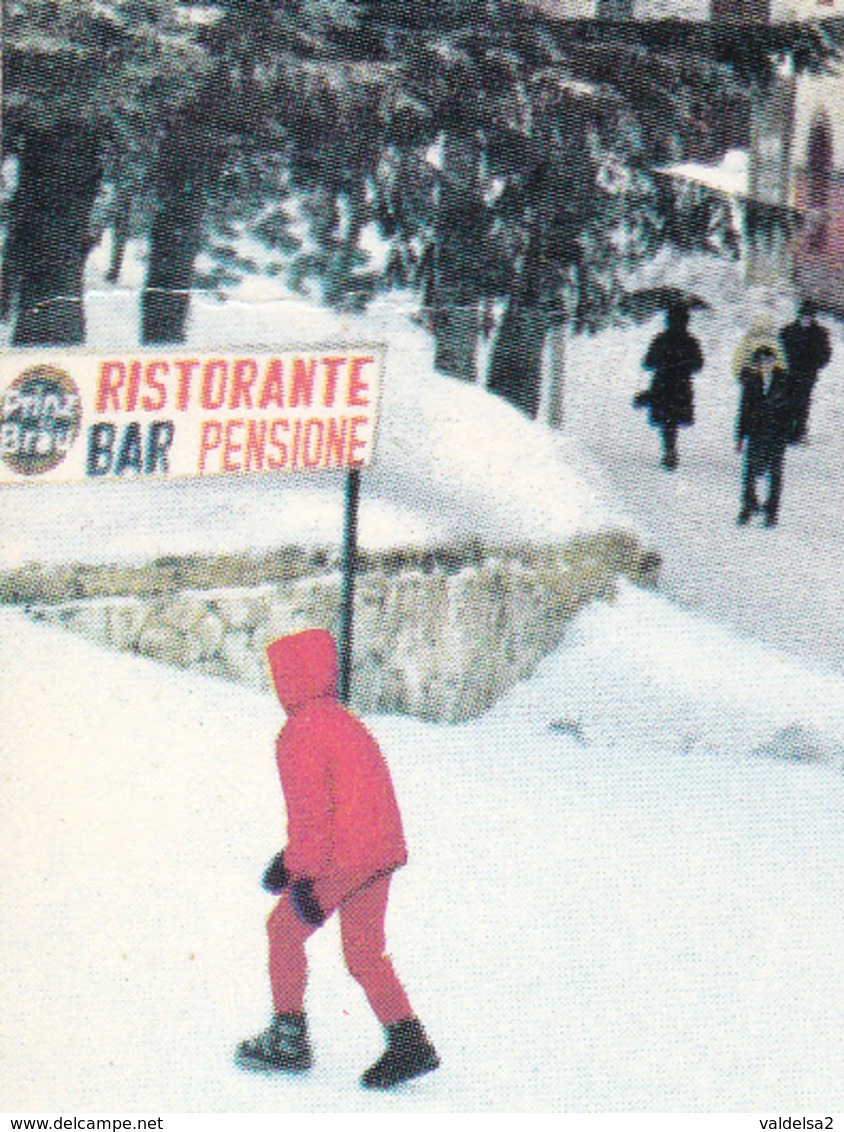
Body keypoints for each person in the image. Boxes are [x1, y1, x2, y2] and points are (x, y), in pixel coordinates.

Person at [236, 628, 439, 1091]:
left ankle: (288, 1038)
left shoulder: (298, 732)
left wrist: (301, 873)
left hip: (342, 858)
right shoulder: (346, 720)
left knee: (282, 930)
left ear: (287, 677)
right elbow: (348, 802)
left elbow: (313, 814)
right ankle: (409, 1041)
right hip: (379, 852)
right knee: (364, 952)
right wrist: (289, 862)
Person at [638, 304, 704, 470]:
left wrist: (662, 362)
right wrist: (683, 365)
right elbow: (698, 365)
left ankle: (669, 449)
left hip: (662, 383)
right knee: (674, 418)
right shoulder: (691, 341)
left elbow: (648, 363)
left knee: (666, 419)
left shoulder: (660, 339)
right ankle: (671, 449)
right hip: (681, 384)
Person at [735, 345, 792, 528]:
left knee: (775, 472)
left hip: (777, 432)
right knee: (750, 470)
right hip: (756, 431)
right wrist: (740, 435)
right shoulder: (751, 381)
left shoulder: (784, 380)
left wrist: (789, 430)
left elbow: (792, 408)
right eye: (761, 362)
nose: (765, 365)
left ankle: (772, 510)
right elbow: (744, 408)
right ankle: (748, 504)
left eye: (768, 361)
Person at [779, 299, 832, 443]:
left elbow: (826, 354)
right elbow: (779, 350)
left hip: (807, 375)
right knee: (786, 401)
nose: (806, 319)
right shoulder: (788, 330)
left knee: (802, 404)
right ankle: (784, 430)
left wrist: (813, 365)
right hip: (788, 373)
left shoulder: (820, 333)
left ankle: (798, 432)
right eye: (803, 316)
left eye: (809, 316)